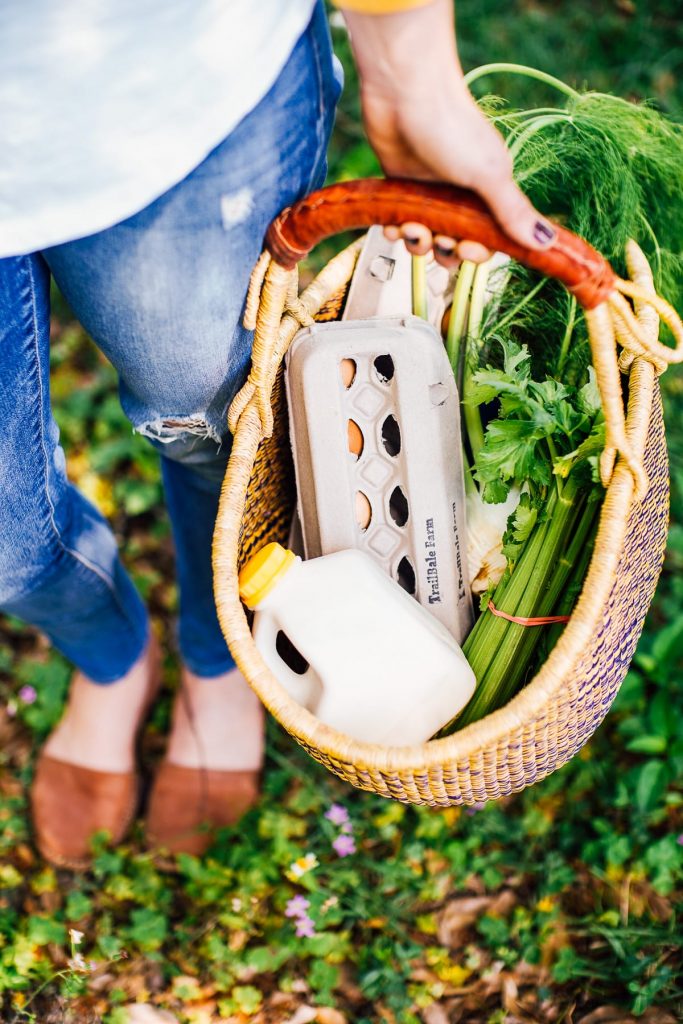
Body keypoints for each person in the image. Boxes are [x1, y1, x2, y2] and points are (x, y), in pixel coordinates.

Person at [0, 0, 555, 866]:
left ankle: (218, 663)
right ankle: (110, 660)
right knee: (6, 544)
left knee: (220, 416)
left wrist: (406, 55)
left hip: (161, 85)